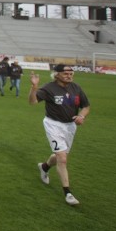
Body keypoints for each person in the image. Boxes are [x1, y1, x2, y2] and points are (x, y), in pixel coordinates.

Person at [28, 64, 90, 206]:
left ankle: (44, 167)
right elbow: (32, 102)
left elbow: (86, 106)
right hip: (53, 125)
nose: (69, 75)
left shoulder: (76, 88)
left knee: (59, 156)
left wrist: (81, 116)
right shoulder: (49, 88)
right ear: (57, 74)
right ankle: (67, 193)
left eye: (71, 73)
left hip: (70, 126)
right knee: (62, 158)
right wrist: (34, 87)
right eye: (66, 73)